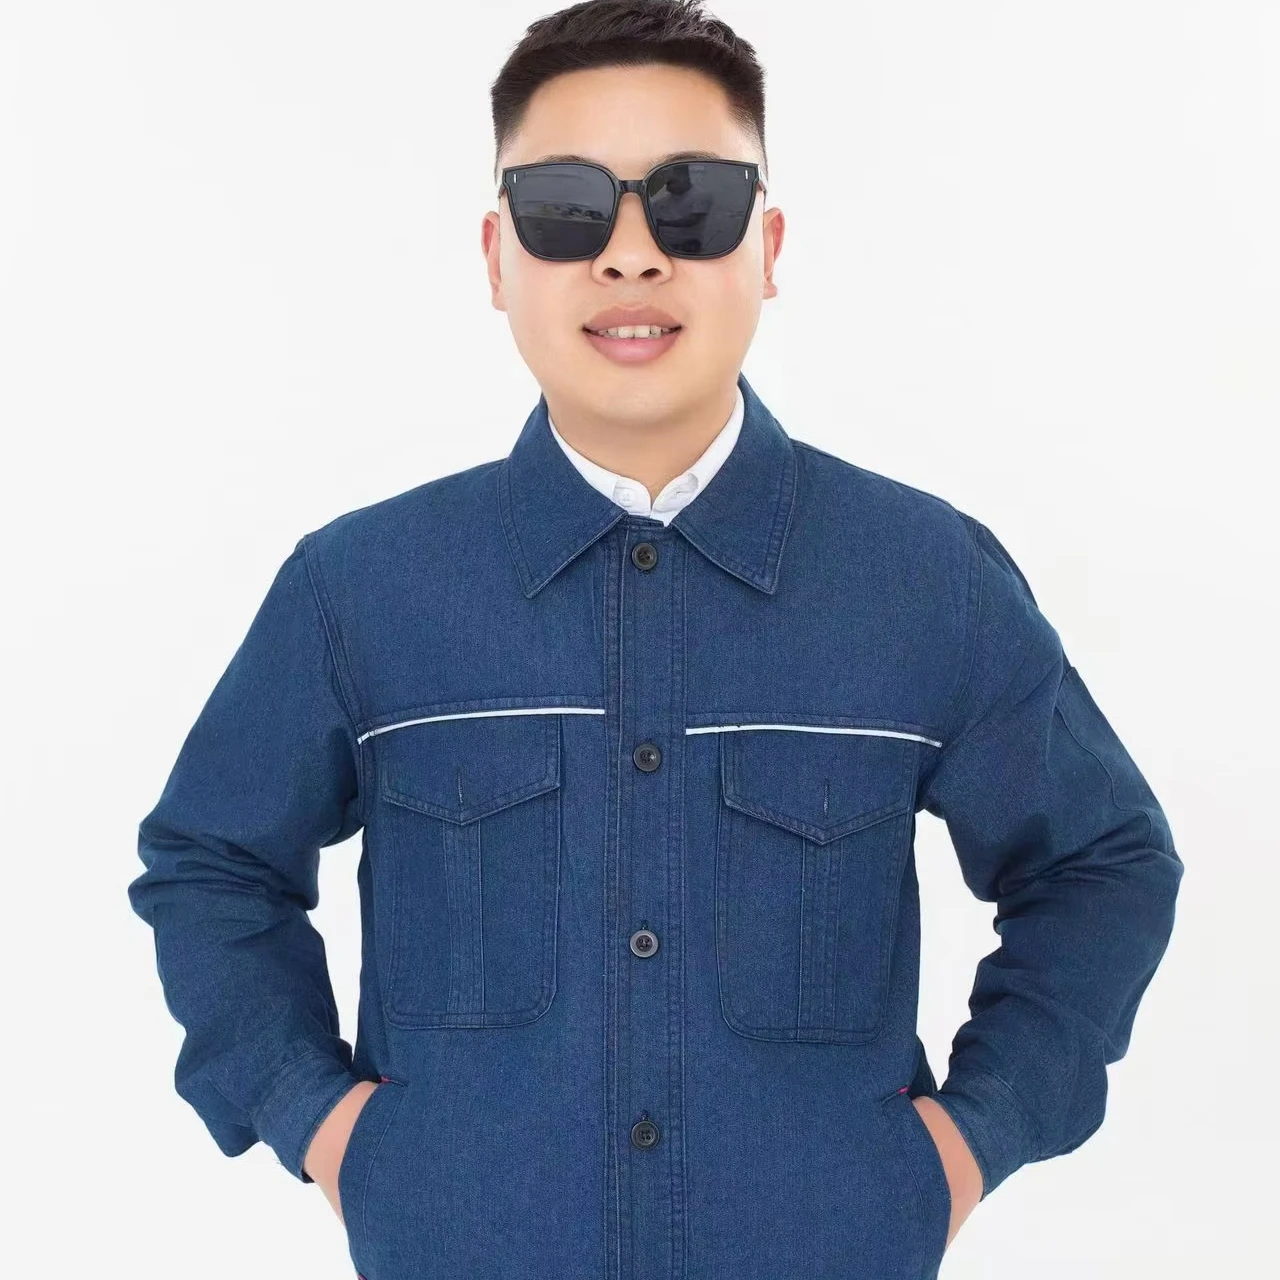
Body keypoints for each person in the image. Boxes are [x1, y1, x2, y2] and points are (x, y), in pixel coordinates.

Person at [126, 2, 1184, 1277]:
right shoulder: (359, 587)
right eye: (565, 207)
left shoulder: (924, 578)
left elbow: (1101, 863)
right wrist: (326, 1124)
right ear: (496, 255)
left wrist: (966, 1142)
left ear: (767, 245)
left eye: (692, 203)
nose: (630, 257)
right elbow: (209, 861)